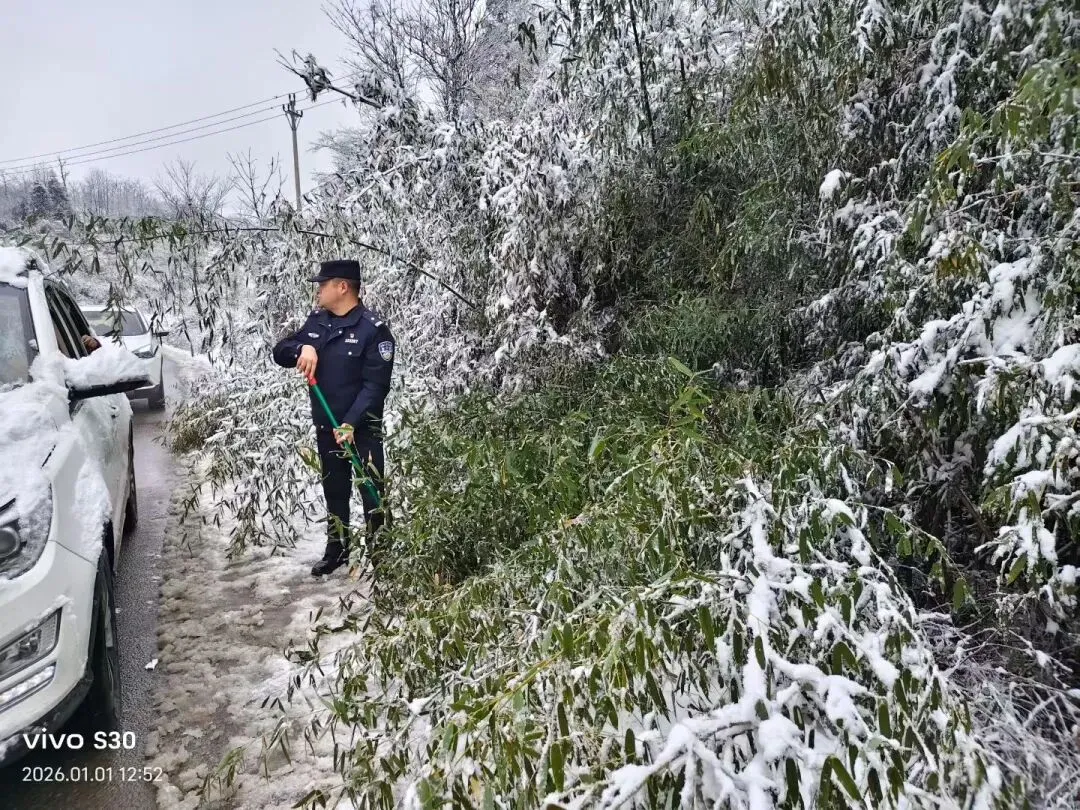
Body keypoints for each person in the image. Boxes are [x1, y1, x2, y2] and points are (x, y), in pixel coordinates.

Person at [272, 259, 395, 577]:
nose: (318, 291)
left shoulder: (373, 330)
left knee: (371, 492)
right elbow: (280, 350)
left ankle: (381, 555)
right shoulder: (317, 321)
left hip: (362, 428)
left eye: (323, 285)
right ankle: (337, 550)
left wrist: (351, 423)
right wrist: (303, 348)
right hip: (327, 426)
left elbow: (375, 386)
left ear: (343, 287)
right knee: (335, 490)